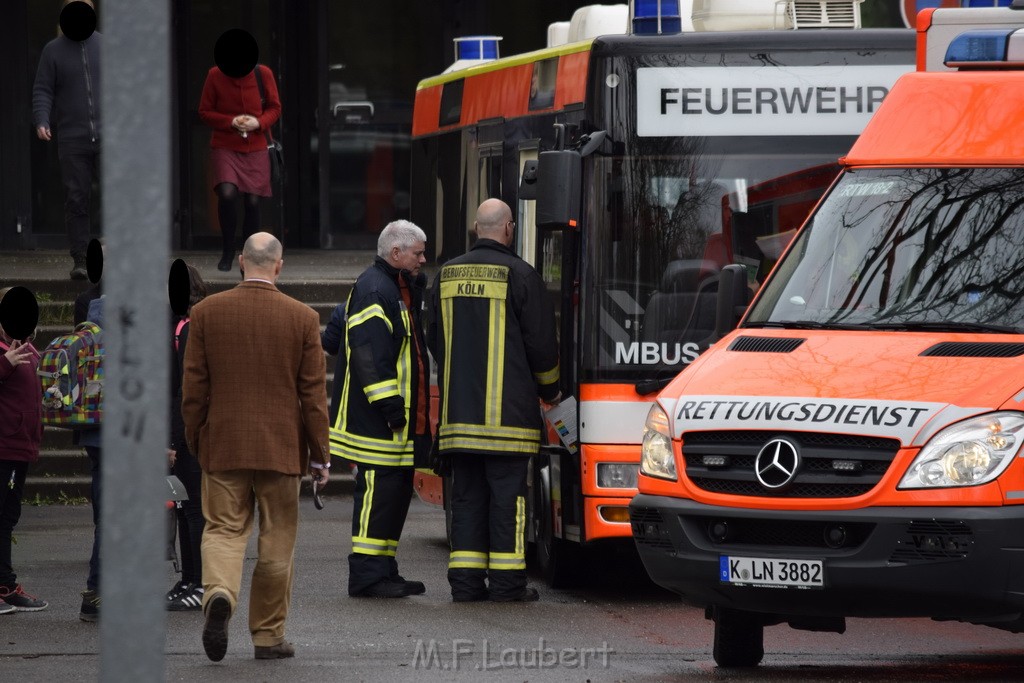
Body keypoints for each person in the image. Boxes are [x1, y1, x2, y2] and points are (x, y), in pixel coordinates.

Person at [182, 232, 329, 662]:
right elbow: (313, 396)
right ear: (279, 266)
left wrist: (196, 436)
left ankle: (219, 594)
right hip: (281, 449)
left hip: (224, 443)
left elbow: (193, 389)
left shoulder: (206, 312)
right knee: (277, 540)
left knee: (224, 530)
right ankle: (267, 636)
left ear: (243, 263)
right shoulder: (302, 318)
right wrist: (320, 454)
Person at [426, 198, 561, 603]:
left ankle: (465, 585)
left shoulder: (445, 275)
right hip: (508, 422)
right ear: (509, 229)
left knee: (465, 500)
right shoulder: (521, 275)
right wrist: (551, 392)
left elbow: (434, 337)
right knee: (508, 502)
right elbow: (541, 346)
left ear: (474, 227)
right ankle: (506, 585)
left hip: (458, 420)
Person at [329, 220, 431, 599]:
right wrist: (391, 407)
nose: (423, 259)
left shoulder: (395, 287)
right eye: (418, 253)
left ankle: (384, 570)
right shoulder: (375, 289)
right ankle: (368, 576)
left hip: (393, 423)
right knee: (376, 495)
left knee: (392, 495)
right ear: (396, 253)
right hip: (379, 423)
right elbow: (372, 357)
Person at [198, 29, 281, 272]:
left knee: (253, 203)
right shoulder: (214, 75)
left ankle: (249, 256)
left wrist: (259, 123)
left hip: (256, 146)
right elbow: (204, 111)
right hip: (225, 144)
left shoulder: (262, 73)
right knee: (226, 193)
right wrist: (230, 121)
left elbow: (275, 107)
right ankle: (227, 249)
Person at [32, 0, 101, 281]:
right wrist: (41, 119)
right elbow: (43, 89)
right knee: (76, 197)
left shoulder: (106, 46)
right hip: (73, 138)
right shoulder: (53, 51)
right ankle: (81, 259)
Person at [0, 289, 49, 614]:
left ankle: (5, 585)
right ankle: (4, 586)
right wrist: (4, 363)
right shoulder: (5, 353)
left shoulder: (28, 350)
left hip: (22, 447)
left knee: (8, 517)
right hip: (5, 446)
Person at [166, 263, 208, 611]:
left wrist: (172, 438)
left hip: (186, 433)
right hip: (181, 429)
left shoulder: (189, 328)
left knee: (193, 508)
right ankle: (188, 579)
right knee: (182, 506)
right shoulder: (181, 325)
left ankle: (199, 582)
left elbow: (182, 390)